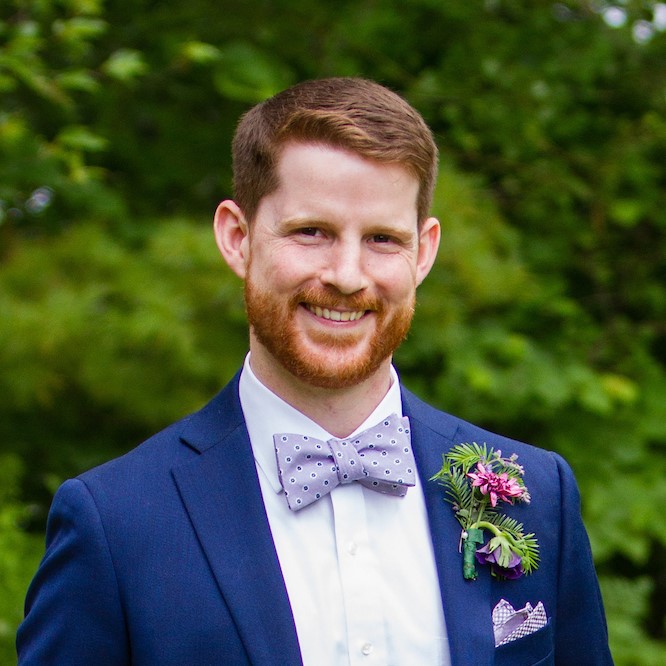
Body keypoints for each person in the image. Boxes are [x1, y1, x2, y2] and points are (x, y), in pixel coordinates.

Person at [17, 77, 613, 665]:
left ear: (424, 251)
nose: (348, 276)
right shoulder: (116, 523)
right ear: (237, 237)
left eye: (382, 239)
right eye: (312, 232)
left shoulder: (536, 494)